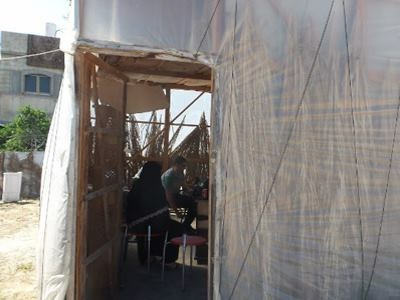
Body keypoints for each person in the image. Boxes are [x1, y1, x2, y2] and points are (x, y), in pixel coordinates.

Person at [126, 161, 182, 265]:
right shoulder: (156, 187)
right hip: (149, 225)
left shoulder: (137, 185)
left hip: (134, 224)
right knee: (175, 228)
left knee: (160, 224)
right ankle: (167, 260)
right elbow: (161, 207)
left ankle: (147, 256)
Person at [161, 156, 197, 233]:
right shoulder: (169, 176)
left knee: (194, 203)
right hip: (164, 199)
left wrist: (190, 191)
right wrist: (177, 212)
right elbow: (168, 197)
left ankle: (185, 225)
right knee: (192, 204)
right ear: (176, 165)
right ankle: (185, 227)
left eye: (185, 166)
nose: (184, 168)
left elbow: (184, 185)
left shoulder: (180, 173)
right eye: (183, 166)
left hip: (175, 195)